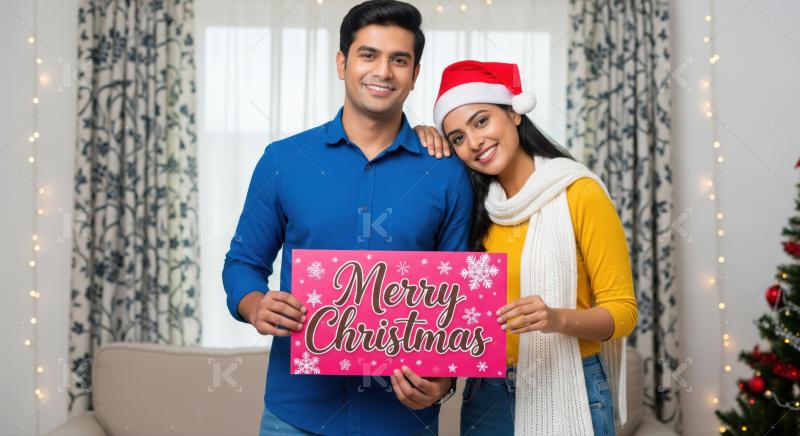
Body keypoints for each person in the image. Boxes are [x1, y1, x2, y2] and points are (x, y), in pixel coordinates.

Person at [222, 2, 470, 435]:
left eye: (399, 59)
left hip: (405, 421)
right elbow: (242, 263)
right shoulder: (284, 161)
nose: (383, 71)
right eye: (368, 54)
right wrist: (255, 304)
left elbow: (460, 294)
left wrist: (444, 380)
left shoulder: (448, 172)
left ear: (414, 75)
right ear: (343, 63)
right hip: (295, 417)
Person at [424, 60, 638, 435]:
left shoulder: (578, 191)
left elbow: (622, 314)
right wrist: (420, 137)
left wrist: (556, 318)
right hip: (485, 394)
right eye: (457, 137)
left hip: (570, 383)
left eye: (481, 121)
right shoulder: (471, 205)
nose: (474, 143)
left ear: (515, 113)